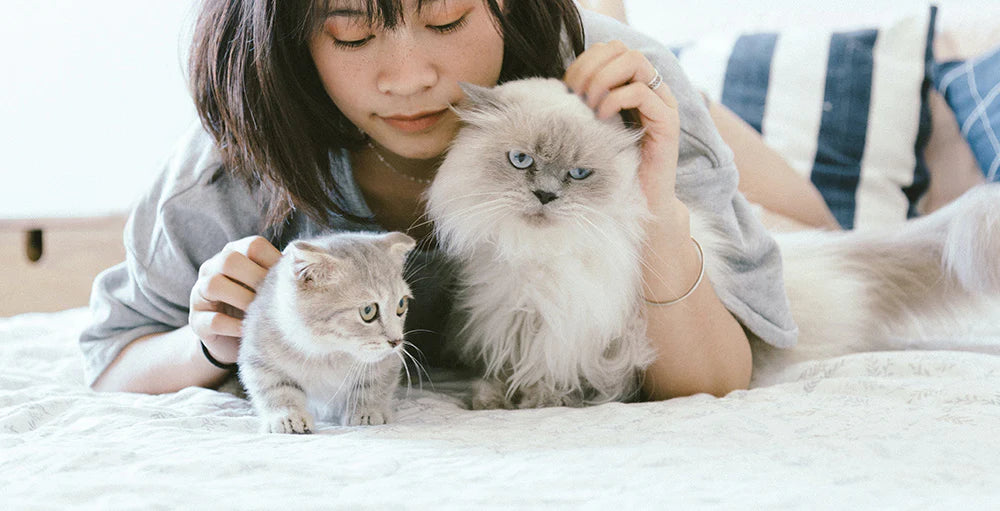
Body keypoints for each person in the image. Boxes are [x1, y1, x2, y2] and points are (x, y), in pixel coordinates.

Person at [83, 0, 834, 399]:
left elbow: (716, 379)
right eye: (351, 35)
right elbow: (113, 360)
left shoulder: (630, 96)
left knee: (818, 230)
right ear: (289, 39)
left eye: (447, 20)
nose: (408, 77)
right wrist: (207, 343)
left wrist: (656, 209)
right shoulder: (233, 164)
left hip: (576, 69)